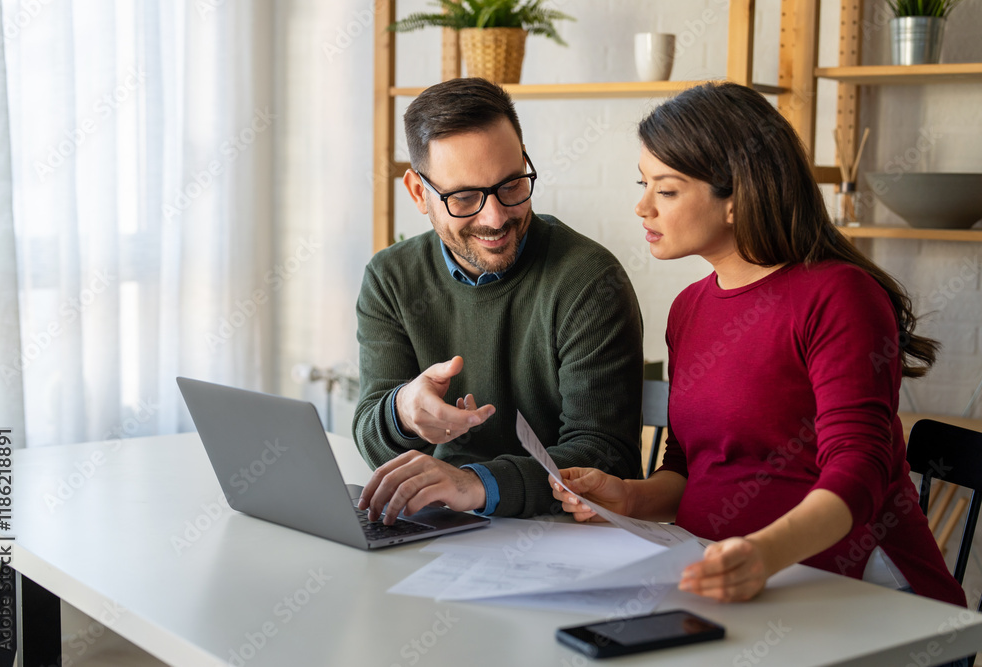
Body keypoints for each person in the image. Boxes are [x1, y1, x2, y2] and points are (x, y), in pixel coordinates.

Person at [551, 82, 967, 614]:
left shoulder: (838, 295)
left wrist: (761, 554)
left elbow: (858, 471)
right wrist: (629, 498)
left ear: (735, 198)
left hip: (864, 595)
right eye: (643, 184)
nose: (642, 207)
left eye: (667, 190)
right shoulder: (689, 308)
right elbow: (690, 467)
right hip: (723, 581)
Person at [353, 77, 644, 525]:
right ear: (417, 193)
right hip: (442, 527)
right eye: (464, 197)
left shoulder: (588, 280)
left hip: (561, 536)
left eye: (511, 185)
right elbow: (372, 439)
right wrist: (404, 412)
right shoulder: (391, 278)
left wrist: (475, 485)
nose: (495, 217)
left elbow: (605, 456)